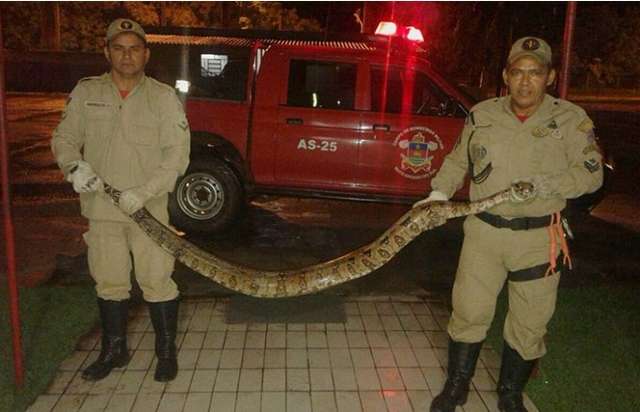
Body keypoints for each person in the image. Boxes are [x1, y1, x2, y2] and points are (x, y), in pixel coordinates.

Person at [415, 37, 603, 412]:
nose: (525, 81)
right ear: (506, 75)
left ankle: (510, 393)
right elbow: (458, 161)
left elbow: (591, 173)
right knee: (468, 311)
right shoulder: (481, 114)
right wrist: (439, 193)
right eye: (518, 72)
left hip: (539, 237)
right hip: (484, 232)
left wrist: (549, 184)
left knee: (529, 321)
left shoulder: (570, 119)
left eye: (535, 73)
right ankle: (456, 386)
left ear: (549, 77)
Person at [51, 18, 190, 382]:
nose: (126, 56)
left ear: (146, 54)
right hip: (102, 209)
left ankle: (165, 352)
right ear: (107, 52)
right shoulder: (86, 92)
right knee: (109, 280)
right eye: (118, 48)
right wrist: (73, 166)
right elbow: (64, 137)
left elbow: (177, 156)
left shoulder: (162, 97)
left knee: (157, 280)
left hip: (149, 210)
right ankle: (114, 351)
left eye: (134, 48)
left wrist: (143, 193)